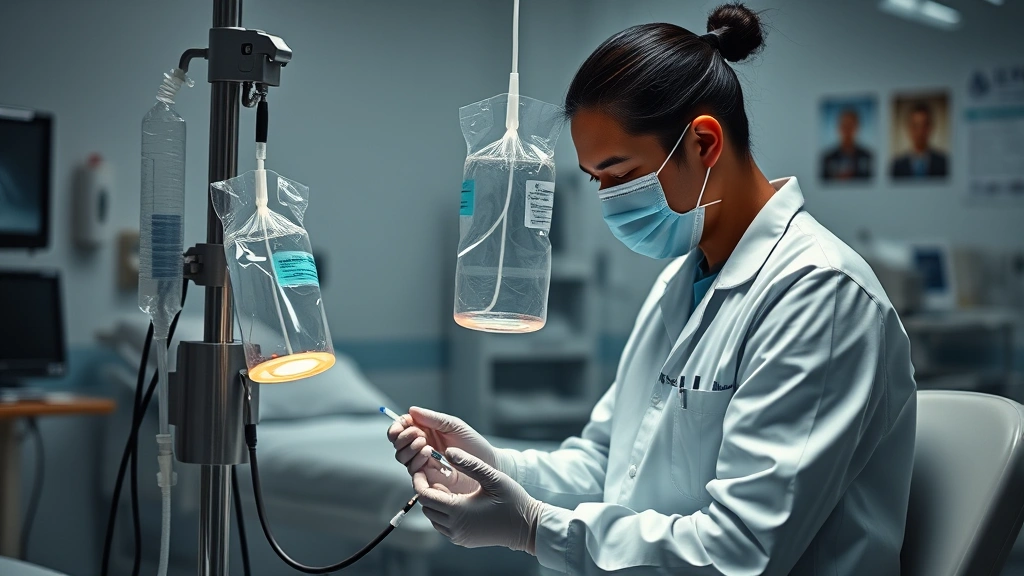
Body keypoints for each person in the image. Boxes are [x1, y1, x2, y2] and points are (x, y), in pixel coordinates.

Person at [389, 4, 917, 574]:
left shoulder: (819, 295)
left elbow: (742, 551)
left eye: (620, 174)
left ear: (704, 144)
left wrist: (537, 529)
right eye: (597, 181)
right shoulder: (680, 283)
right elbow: (607, 462)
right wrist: (491, 467)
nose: (608, 200)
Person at [891, 102, 948, 178]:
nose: (920, 132)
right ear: (909, 128)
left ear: (930, 128)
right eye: (915, 126)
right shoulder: (897, 166)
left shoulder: (944, 163)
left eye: (924, 126)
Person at [820, 108, 873, 181]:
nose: (847, 130)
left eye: (850, 126)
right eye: (844, 125)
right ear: (839, 127)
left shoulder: (867, 156)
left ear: (857, 127)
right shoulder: (828, 158)